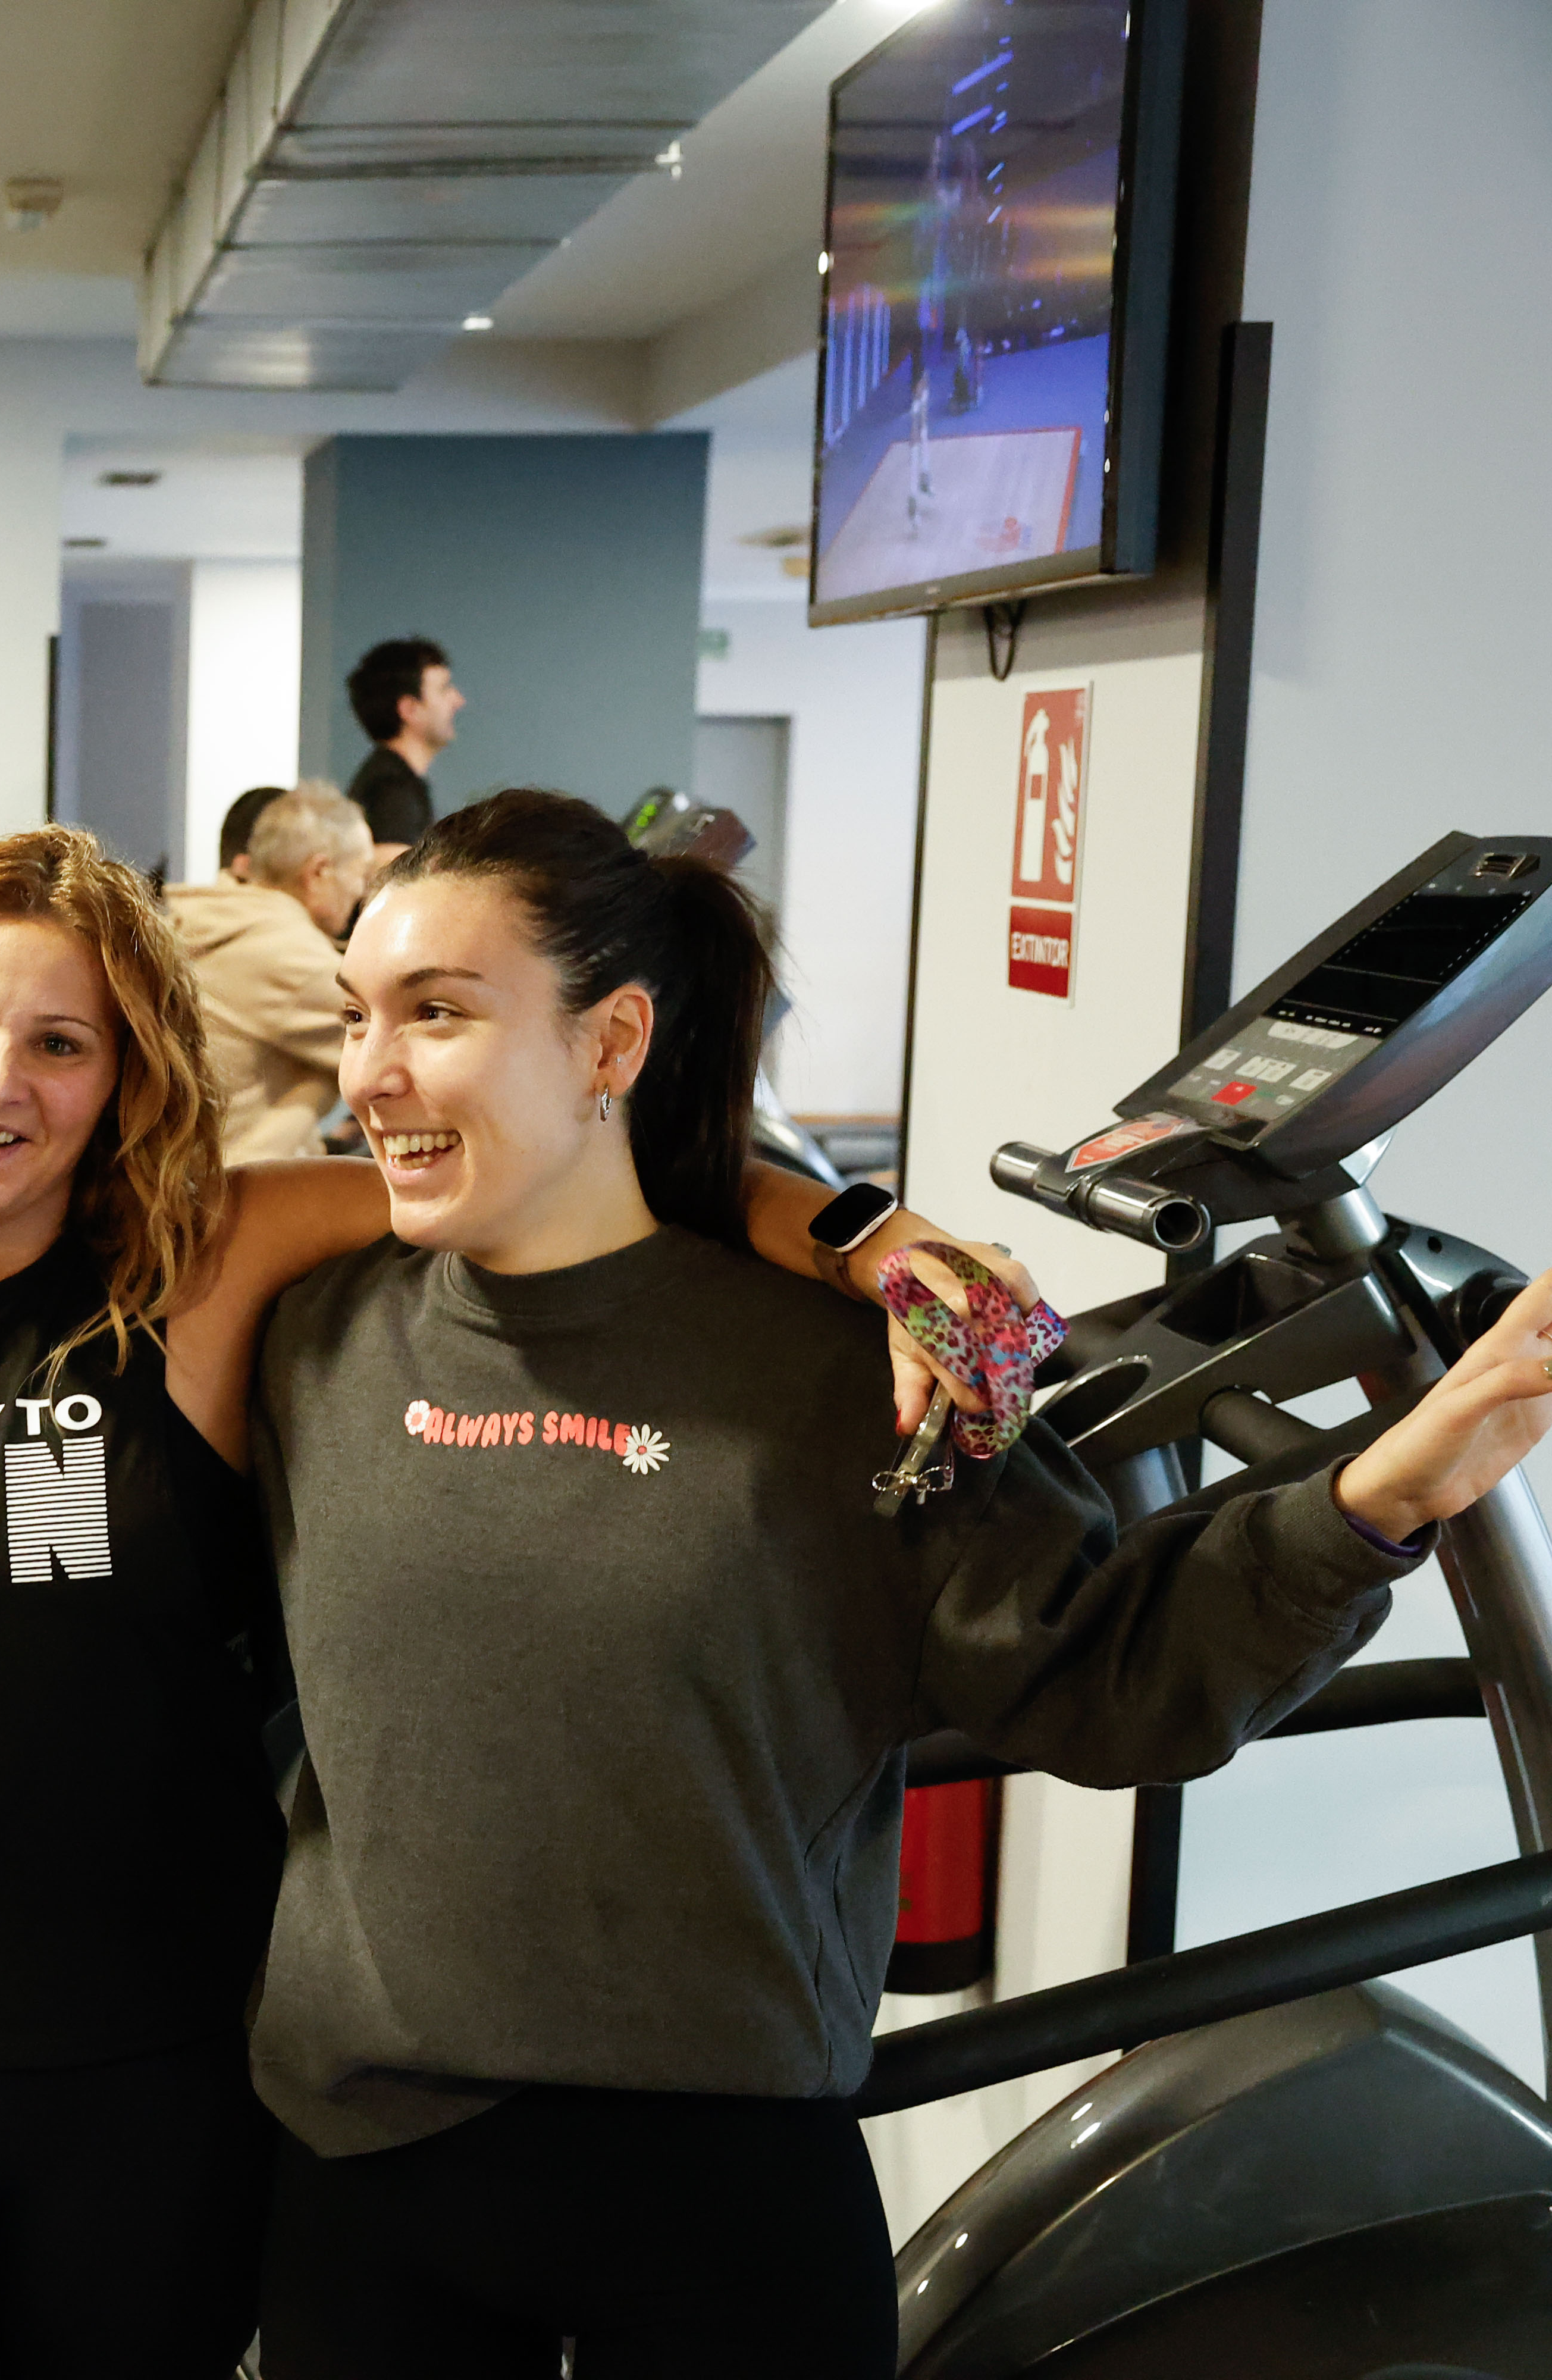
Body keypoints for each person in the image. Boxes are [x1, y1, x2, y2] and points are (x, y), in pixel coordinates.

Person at [247, 789, 1552, 2376]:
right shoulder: (313, 1341)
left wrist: (1384, 1494)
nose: (370, 1076)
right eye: (356, 1015)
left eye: (437, 1015)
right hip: (367, 2169)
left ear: (611, 1044)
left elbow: (1103, 1668)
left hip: (714, 2181)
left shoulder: (843, 1374)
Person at [0, 822, 1030, 2380]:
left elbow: (598, 1179)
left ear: (125, 1079)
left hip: (154, 2048)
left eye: (62, 1043)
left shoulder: (209, 1253)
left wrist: (874, 1237)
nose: (1, 1081)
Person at [171, 784, 377, 1163]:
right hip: (231, 1194)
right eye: (362, 872)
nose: (362, 890)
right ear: (319, 872)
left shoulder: (213, 914)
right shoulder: (289, 954)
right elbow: (398, 1047)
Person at [344, 635, 460, 854]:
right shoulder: (392, 787)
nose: (458, 700)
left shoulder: (392, 779)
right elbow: (393, 870)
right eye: (444, 689)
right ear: (410, 709)